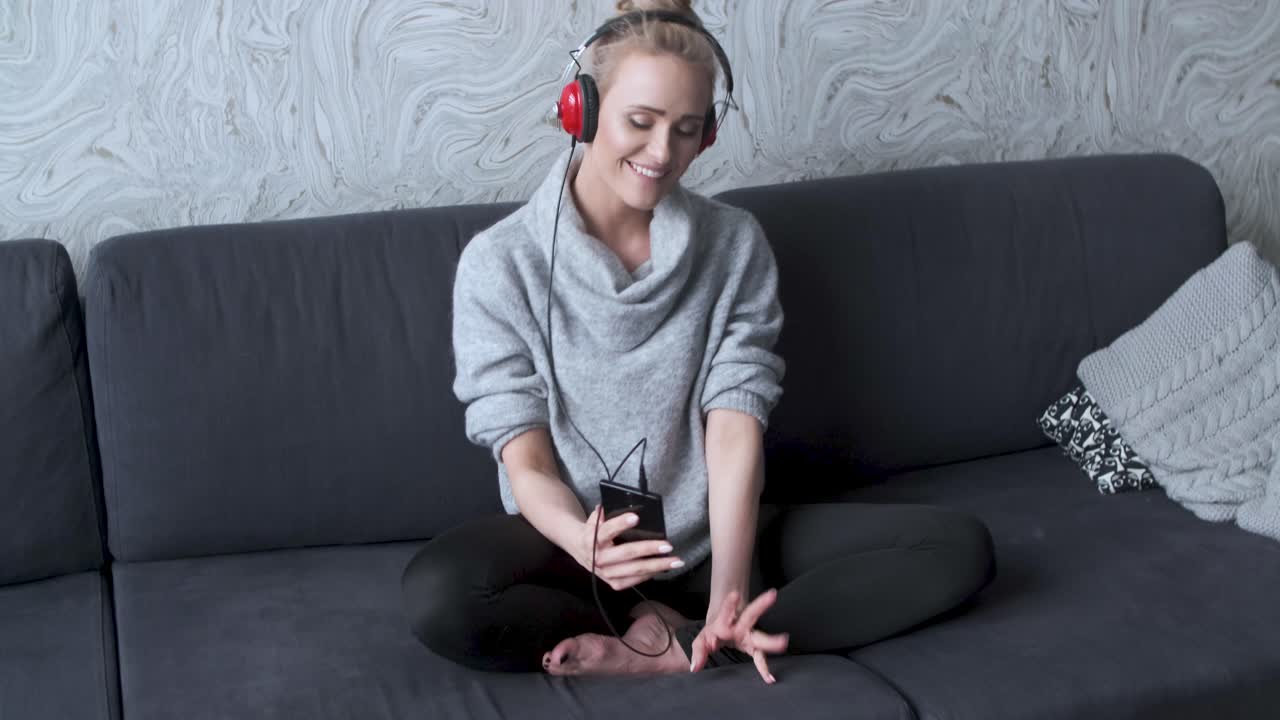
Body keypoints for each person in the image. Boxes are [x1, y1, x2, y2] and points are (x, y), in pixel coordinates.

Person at [401, 0, 996, 685]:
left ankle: (695, 643)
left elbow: (735, 428)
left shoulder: (733, 244)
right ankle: (641, 618)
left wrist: (728, 595)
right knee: (441, 594)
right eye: (640, 122)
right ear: (582, 110)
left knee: (954, 547)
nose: (663, 154)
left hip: (715, 538)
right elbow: (525, 456)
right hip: (576, 548)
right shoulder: (499, 262)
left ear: (708, 133)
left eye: (686, 130)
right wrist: (582, 540)